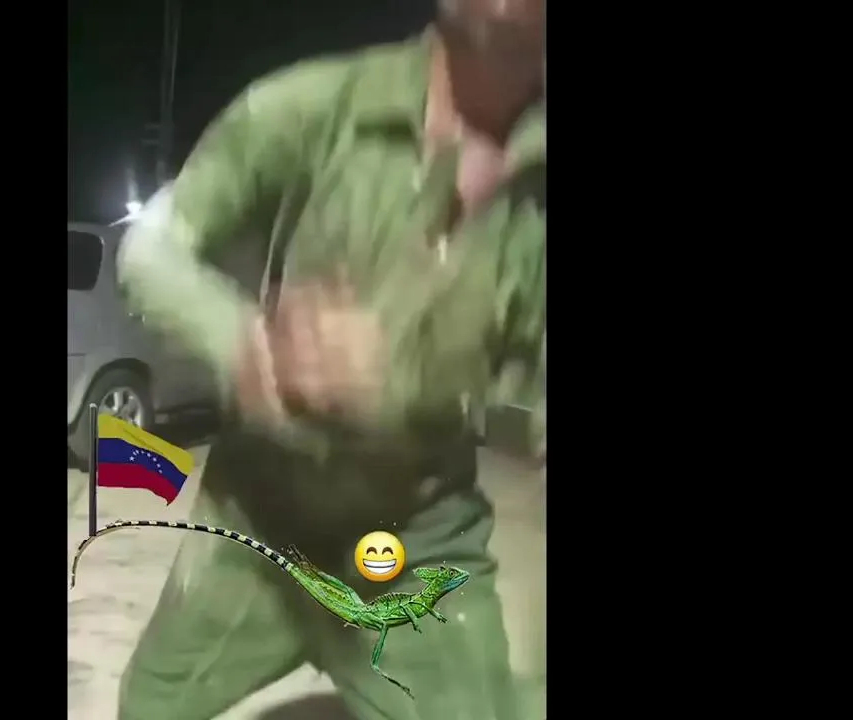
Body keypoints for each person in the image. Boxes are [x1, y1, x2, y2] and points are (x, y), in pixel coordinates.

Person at [114, 0, 545, 717]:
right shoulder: (317, 106)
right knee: (150, 706)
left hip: (417, 542)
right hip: (259, 522)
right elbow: (153, 245)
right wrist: (248, 346)